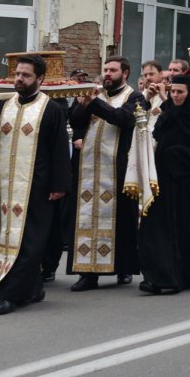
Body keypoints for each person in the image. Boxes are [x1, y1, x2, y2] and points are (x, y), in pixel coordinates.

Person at [0, 55, 71, 314]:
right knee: (4, 237)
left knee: (30, 241)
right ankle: (31, 287)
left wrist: (59, 184)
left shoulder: (50, 109)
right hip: (6, 187)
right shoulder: (4, 106)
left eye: (26, 75)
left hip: (37, 186)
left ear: (39, 79)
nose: (19, 79)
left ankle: (11, 295)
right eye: (17, 74)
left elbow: (59, 150)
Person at [67, 56, 146, 291]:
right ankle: (86, 273)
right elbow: (75, 121)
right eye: (105, 70)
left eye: (113, 70)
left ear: (125, 73)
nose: (108, 74)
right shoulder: (94, 94)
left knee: (121, 220)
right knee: (85, 220)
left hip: (118, 167)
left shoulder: (135, 96)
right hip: (88, 167)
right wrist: (82, 104)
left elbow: (123, 119)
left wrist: (93, 103)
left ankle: (123, 268)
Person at [138, 74, 190, 294]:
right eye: (173, 92)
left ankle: (184, 277)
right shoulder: (167, 113)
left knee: (186, 229)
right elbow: (157, 134)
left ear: (188, 93)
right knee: (158, 228)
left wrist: (177, 155)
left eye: (179, 92)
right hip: (165, 180)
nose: (175, 96)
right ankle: (161, 276)